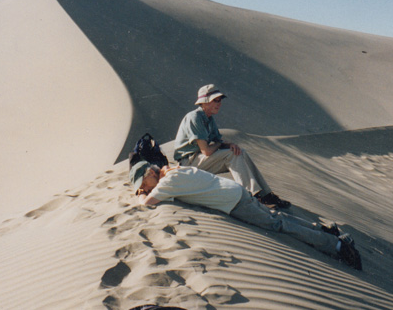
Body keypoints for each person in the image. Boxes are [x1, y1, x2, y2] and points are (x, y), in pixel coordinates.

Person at [129, 161, 363, 270]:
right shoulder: (175, 169)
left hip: (233, 202)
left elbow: (147, 204)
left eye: (144, 183)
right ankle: (324, 230)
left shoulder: (168, 181)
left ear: (151, 173)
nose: (145, 187)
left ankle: (337, 247)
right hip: (237, 191)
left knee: (277, 224)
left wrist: (140, 195)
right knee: (278, 217)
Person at [174, 84, 290, 208]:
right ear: (205, 102)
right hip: (188, 164)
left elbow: (217, 140)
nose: (219, 103)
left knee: (240, 152)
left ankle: (266, 194)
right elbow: (207, 151)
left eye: (220, 100)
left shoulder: (208, 119)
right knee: (231, 155)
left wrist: (230, 144)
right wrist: (221, 145)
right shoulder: (195, 117)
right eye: (215, 100)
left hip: (198, 161)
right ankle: (252, 196)